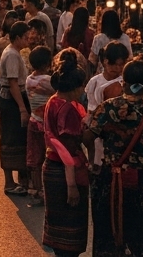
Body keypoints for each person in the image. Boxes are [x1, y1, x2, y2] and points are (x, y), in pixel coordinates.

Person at [86, 61, 143, 257]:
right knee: (142, 222)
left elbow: (88, 136)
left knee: (108, 222)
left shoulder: (107, 108)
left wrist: (92, 159)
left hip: (110, 176)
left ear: (123, 83)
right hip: (142, 178)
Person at [43, 49, 91, 257]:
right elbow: (68, 150)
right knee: (70, 233)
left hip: (51, 167)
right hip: (66, 172)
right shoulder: (69, 110)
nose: (83, 90)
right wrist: (71, 185)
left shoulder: (53, 101)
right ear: (73, 87)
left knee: (58, 228)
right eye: (81, 86)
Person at [0, 21, 35, 194]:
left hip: (15, 98)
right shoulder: (12, 55)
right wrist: (22, 108)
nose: (28, 40)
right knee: (10, 139)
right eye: (26, 37)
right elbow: (13, 83)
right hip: (12, 100)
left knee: (18, 139)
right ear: (18, 37)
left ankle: (21, 180)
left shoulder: (14, 52)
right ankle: (9, 183)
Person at [85, 42, 129, 171]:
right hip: (98, 128)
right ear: (105, 61)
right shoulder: (94, 82)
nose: (117, 68)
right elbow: (91, 107)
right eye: (114, 64)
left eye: (121, 64)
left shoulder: (125, 82)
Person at [25, 46, 55, 206]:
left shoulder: (29, 79)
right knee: (47, 157)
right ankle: (46, 190)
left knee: (35, 157)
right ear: (47, 64)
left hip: (33, 121)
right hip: (47, 124)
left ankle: (35, 189)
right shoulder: (48, 81)